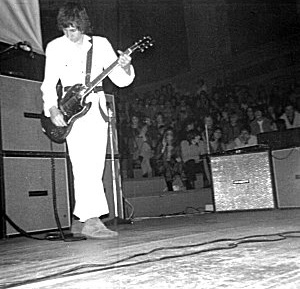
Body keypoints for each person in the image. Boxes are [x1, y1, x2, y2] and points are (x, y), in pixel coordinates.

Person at [40, 2, 135, 239]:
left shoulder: (101, 44)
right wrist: (52, 109)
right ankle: (91, 220)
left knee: (94, 164)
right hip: (71, 109)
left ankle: (80, 220)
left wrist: (126, 64)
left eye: (73, 29)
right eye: (65, 29)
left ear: (83, 26)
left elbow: (122, 81)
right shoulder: (55, 47)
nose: (69, 34)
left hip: (96, 109)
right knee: (82, 163)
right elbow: (49, 83)